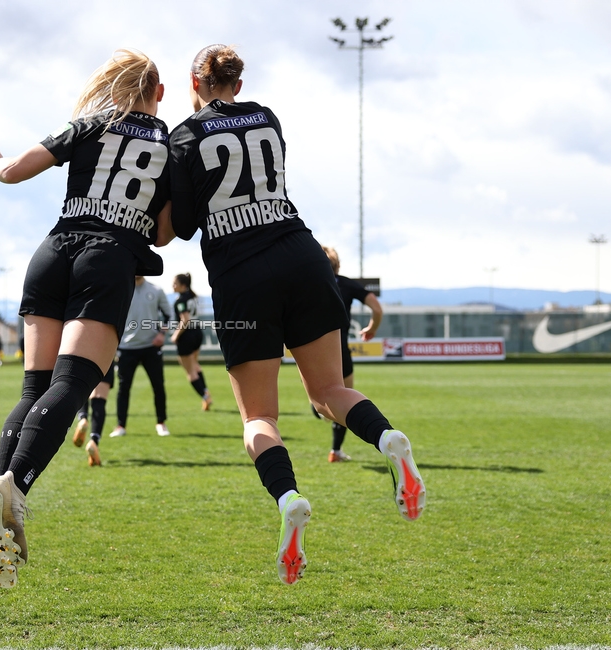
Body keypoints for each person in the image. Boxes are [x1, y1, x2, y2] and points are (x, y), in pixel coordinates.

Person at [166, 44, 426, 585]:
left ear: (194, 80)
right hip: (303, 256)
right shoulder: (268, 118)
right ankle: (387, 441)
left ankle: (287, 498)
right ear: (239, 82)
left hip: (242, 274)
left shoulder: (186, 136)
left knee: (259, 419)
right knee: (329, 393)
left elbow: (186, 225)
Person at [0, 48, 172, 588]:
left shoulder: (89, 124)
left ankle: (0, 507)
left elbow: (11, 171)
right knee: (73, 383)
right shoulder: (171, 146)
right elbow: (161, 233)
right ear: (160, 93)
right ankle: (14, 489)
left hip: (53, 251)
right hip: (105, 259)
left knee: (34, 386)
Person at [317, 246, 384, 463]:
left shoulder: (305, 283)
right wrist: (372, 327)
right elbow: (377, 308)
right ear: (337, 264)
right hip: (338, 350)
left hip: (308, 350)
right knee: (344, 397)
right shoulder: (345, 283)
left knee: (316, 393)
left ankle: (316, 406)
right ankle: (335, 451)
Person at [109, 276, 172, 438]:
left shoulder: (156, 290)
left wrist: (162, 334)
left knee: (158, 385)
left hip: (151, 347)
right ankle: (120, 425)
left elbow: (169, 315)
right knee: (123, 388)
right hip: (126, 348)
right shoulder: (120, 289)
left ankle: (161, 423)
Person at [170, 272, 212, 410]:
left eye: (175, 283)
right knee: (195, 365)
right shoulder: (193, 297)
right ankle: (206, 391)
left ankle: (205, 396)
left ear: (183, 285)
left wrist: (176, 335)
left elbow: (185, 319)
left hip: (187, 335)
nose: (173, 286)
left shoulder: (181, 300)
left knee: (190, 371)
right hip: (197, 332)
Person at [71, 363, 115, 466]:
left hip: (82, 356)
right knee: (99, 400)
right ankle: (94, 441)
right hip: (105, 355)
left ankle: (83, 418)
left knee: (83, 390)